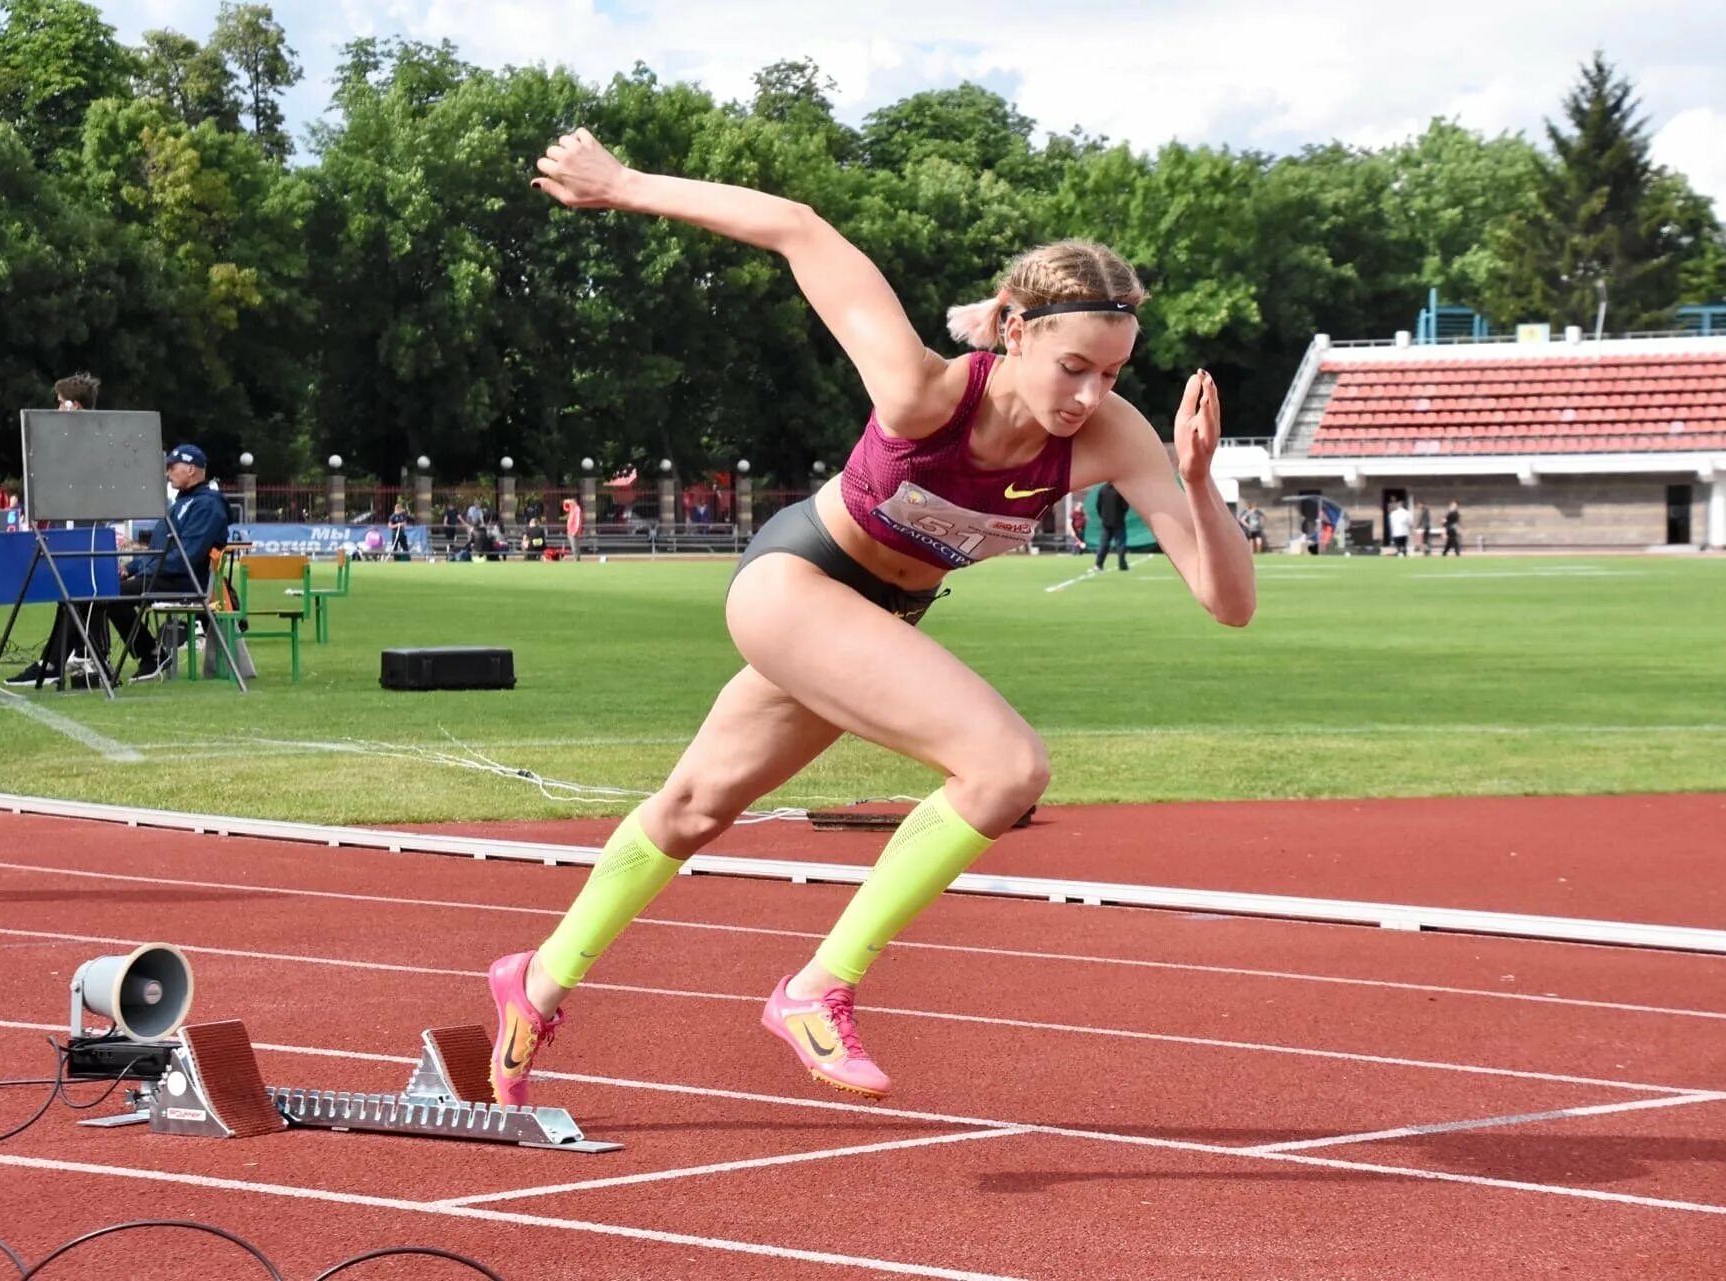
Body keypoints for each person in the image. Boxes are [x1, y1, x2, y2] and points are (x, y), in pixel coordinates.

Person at [485, 127, 1253, 1108]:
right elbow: (799, 229)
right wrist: (624, 186)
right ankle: (818, 988)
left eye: (1112, 373)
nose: (1089, 395)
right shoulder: (923, 390)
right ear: (1015, 330)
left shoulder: (1114, 436)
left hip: (876, 617)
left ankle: (534, 983)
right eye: (1072, 367)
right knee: (1008, 767)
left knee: (693, 810)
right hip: (797, 584)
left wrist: (1196, 482)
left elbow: (1227, 605)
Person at [5, 444, 228, 687]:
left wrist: (142, 571)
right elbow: (161, 551)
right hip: (164, 573)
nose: (167, 473)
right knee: (80, 591)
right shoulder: (183, 503)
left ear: (191, 469)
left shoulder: (207, 505)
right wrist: (129, 569)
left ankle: (62, 664)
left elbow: (187, 556)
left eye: (172, 467)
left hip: (184, 579)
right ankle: (59, 664)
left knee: (104, 594)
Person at [1093, 481, 1130, 572]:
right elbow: (1125, 506)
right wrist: (1121, 515)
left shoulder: (1102, 489)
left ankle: (1099, 564)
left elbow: (1098, 505)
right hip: (1118, 521)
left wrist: (1103, 516)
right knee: (1120, 543)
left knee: (1104, 544)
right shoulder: (1120, 490)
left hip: (1106, 522)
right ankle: (1122, 565)